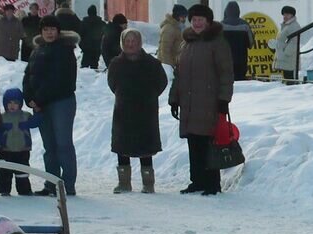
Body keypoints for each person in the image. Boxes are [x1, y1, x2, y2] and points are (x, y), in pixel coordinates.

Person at [168, 3, 232, 196]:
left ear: (208, 21)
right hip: (189, 103)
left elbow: (226, 74)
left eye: (200, 20)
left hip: (210, 102)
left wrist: (223, 100)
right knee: (193, 142)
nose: (196, 23)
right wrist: (174, 99)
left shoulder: (217, 42)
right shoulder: (187, 42)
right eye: (194, 19)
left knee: (209, 142)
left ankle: (212, 183)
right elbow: (179, 74)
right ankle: (197, 180)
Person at [23, 14, 79, 196]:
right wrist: (29, 97)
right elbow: (28, 75)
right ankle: (51, 183)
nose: (49, 33)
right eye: (45, 29)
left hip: (61, 102)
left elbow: (59, 79)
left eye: (52, 29)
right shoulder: (37, 50)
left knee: (63, 144)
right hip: (41, 104)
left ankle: (68, 185)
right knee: (49, 146)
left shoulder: (64, 50)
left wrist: (38, 99)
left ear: (58, 31)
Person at [107, 28, 167, 194]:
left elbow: (161, 82)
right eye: (127, 41)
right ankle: (124, 182)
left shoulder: (152, 63)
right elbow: (112, 83)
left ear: (139, 43)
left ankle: (148, 183)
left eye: (134, 41)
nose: (130, 44)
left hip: (145, 111)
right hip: (123, 110)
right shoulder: (116, 64)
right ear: (123, 43)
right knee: (122, 145)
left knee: (145, 147)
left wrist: (150, 96)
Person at [0, 88, 40, 195]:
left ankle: (24, 190)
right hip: (6, 150)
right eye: (9, 103)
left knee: (22, 171)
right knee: (4, 171)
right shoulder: (2, 118)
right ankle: (4, 190)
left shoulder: (26, 116)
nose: (12, 105)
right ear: (5, 103)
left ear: (20, 104)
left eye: (15, 103)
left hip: (22, 150)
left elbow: (34, 123)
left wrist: (37, 112)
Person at [221, 1, 254, 81]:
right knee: (240, 82)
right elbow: (250, 43)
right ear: (238, 11)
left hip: (225, 60)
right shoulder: (245, 25)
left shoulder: (221, 25)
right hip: (241, 60)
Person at [270, 5, 300, 82]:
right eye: (284, 14)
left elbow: (294, 43)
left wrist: (285, 53)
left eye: (287, 14)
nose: (285, 16)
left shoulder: (293, 26)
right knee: (287, 79)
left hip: (288, 59)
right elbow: (283, 41)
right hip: (285, 59)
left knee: (289, 80)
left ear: (292, 15)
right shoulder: (286, 26)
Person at [78, 4, 106, 69]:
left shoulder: (83, 23)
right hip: (97, 48)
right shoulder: (101, 23)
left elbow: (80, 35)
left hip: (86, 49)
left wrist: (82, 47)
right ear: (96, 12)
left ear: (88, 12)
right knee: (94, 66)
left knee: (84, 67)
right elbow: (105, 35)